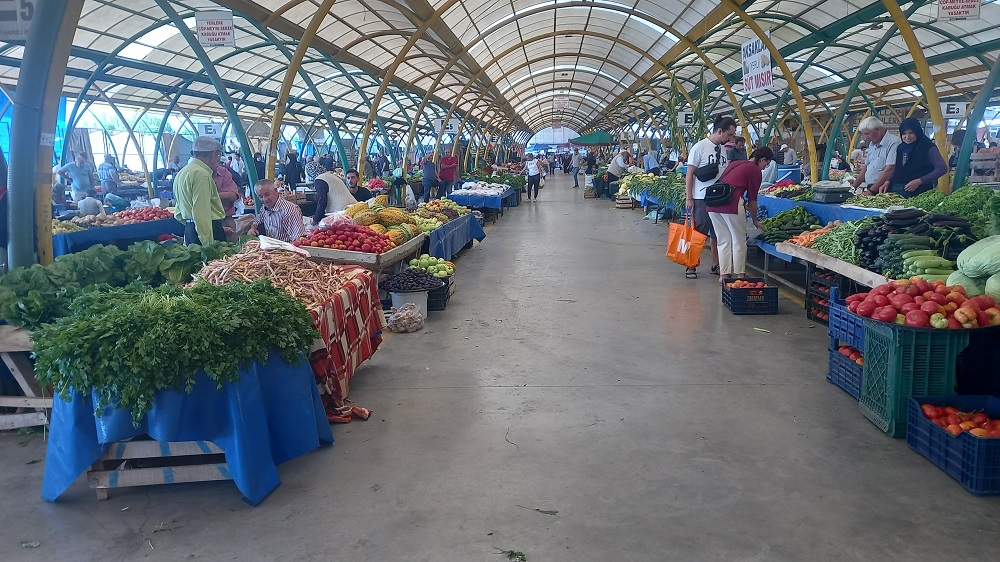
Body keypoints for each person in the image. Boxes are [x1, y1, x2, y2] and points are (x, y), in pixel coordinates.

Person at [707, 147, 771, 285]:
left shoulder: (735, 163)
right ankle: (740, 275)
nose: (765, 167)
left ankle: (723, 275)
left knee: (723, 240)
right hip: (731, 204)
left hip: (713, 204)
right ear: (762, 159)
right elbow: (753, 201)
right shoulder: (754, 170)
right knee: (739, 240)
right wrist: (755, 221)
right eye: (767, 164)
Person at [684, 116, 736, 279]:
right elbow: (690, 174)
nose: (730, 139)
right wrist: (689, 197)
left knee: (717, 232)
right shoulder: (699, 147)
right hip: (701, 197)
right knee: (699, 231)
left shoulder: (723, 149)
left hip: (719, 198)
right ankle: (691, 265)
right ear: (720, 131)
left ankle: (716, 263)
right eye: (729, 134)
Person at [173, 136, 227, 245]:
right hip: (203, 233)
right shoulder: (202, 174)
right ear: (214, 154)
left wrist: (191, 225)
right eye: (218, 156)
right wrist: (208, 241)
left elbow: (178, 213)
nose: (218, 161)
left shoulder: (182, 173)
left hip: (191, 228)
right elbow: (201, 212)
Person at [889, 117, 947, 198]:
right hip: (899, 191)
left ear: (917, 132)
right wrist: (888, 181)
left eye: (911, 133)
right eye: (904, 134)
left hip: (920, 193)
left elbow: (942, 168)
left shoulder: (928, 147)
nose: (907, 137)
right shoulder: (901, 148)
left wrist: (920, 181)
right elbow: (898, 168)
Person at [850, 117, 901, 195]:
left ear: (877, 130)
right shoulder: (872, 144)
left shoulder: (894, 143)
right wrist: (853, 187)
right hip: (871, 188)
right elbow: (866, 167)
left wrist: (871, 191)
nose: (865, 137)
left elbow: (890, 169)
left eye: (867, 134)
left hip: (884, 190)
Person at [213, 160, 242, 242]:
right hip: (205, 221)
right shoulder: (197, 174)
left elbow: (234, 195)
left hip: (225, 218)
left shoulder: (224, 172)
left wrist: (212, 196)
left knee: (231, 246)